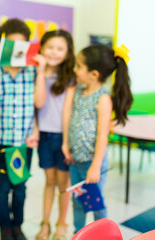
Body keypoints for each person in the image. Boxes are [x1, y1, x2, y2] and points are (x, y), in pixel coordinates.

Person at [62, 44, 133, 233]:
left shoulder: (102, 99)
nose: (75, 70)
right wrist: (66, 147)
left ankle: (102, 235)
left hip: (93, 165)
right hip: (75, 161)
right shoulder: (78, 92)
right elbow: (71, 122)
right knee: (78, 202)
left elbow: (103, 135)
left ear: (93, 74)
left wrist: (95, 165)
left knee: (96, 205)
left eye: (78, 66)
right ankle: (78, 234)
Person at [0, 18, 39, 240]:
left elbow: (37, 107)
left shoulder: (32, 74)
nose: (16, 50)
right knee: (2, 188)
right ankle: (4, 227)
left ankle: (18, 225)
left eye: (21, 45)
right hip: (1, 141)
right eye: (11, 45)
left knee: (20, 188)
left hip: (24, 143)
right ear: (1, 46)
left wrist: (35, 131)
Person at [34, 30, 75, 240]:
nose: (54, 52)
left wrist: (66, 143)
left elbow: (67, 111)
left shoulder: (69, 77)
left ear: (68, 53)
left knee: (63, 184)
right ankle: (45, 223)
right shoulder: (35, 72)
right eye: (50, 47)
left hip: (62, 137)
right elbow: (36, 105)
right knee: (49, 181)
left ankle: (62, 222)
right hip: (44, 136)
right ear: (41, 48)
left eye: (60, 49)